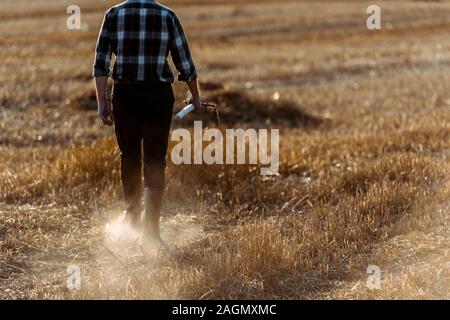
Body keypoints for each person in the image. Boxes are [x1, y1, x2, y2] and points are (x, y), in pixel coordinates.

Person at [92, 0, 201, 243]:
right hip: (158, 96)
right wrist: (195, 94)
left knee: (129, 157)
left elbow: (101, 64)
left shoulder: (113, 14)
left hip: (126, 95)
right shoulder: (167, 15)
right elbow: (184, 62)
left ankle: (132, 222)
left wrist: (102, 101)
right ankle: (151, 230)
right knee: (155, 160)